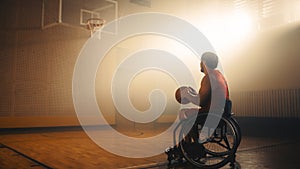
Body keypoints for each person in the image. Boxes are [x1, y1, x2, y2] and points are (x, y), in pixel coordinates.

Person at [165, 52, 230, 164]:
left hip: (210, 115)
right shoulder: (219, 75)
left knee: (184, 113)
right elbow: (205, 97)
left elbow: (201, 101)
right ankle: (191, 145)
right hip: (221, 113)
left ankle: (192, 145)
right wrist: (194, 94)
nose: (200, 64)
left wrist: (187, 95)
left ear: (204, 62)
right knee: (188, 114)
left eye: (201, 62)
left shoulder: (208, 77)